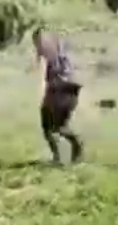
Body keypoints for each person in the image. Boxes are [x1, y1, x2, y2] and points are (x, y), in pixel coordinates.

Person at [33, 28, 83, 164]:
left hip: (58, 90)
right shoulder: (61, 50)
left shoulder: (44, 54)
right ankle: (76, 148)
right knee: (61, 126)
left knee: (48, 128)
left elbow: (43, 77)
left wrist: (42, 98)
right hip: (72, 88)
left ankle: (58, 158)